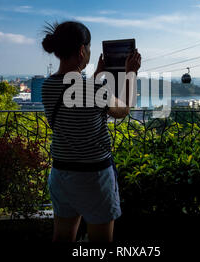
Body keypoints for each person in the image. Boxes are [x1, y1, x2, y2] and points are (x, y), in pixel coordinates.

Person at [41, 21, 141, 242]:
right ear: (81, 50)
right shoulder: (94, 89)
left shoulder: (47, 86)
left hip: (61, 173)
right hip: (94, 176)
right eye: (89, 48)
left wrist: (96, 75)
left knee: (63, 237)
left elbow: (76, 102)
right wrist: (130, 74)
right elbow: (122, 109)